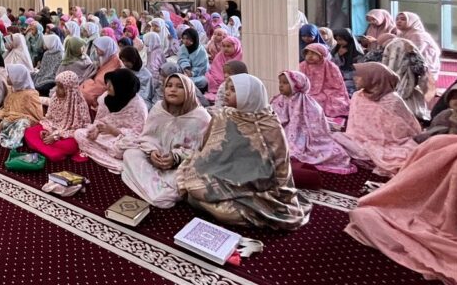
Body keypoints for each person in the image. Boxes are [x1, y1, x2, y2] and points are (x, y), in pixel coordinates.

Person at [177, 74, 311, 230]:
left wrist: (236, 182)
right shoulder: (224, 115)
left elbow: (275, 172)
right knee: (194, 187)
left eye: (233, 90)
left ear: (250, 95)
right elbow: (207, 148)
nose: (227, 93)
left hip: (255, 187)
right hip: (222, 174)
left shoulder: (268, 125)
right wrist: (212, 172)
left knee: (227, 212)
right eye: (227, 88)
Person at [344, 132, 457, 285]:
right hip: (426, 221)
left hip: (441, 230)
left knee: (366, 217)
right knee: (366, 216)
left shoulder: (446, 150)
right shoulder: (443, 148)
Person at [122, 73, 211, 208]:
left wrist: (175, 157)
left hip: (181, 165)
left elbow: (203, 152)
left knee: (191, 176)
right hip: (155, 159)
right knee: (130, 153)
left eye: (179, 87)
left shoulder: (201, 117)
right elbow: (147, 136)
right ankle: (157, 188)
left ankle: (151, 187)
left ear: (189, 91)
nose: (172, 90)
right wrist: (152, 152)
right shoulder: (159, 108)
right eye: (169, 86)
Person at [331, 62, 420, 176]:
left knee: (401, 154)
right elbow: (354, 125)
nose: (355, 78)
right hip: (360, 139)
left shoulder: (392, 101)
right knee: (335, 138)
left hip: (389, 143)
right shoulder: (358, 95)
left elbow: (404, 129)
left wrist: (376, 137)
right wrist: (365, 136)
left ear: (373, 79)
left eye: (360, 76)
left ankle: (369, 156)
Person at [272, 70, 356, 174]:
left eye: (285, 83)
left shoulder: (309, 104)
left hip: (304, 134)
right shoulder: (278, 100)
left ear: (297, 85)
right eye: (280, 82)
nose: (281, 86)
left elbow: (315, 125)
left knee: (328, 152)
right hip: (282, 130)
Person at [74, 69, 148, 173]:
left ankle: (102, 154)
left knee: (122, 149)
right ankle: (115, 163)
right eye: (108, 82)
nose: (107, 86)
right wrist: (96, 130)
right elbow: (100, 119)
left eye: (111, 84)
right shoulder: (105, 97)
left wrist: (114, 131)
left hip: (120, 140)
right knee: (79, 134)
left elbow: (138, 134)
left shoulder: (138, 106)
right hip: (104, 136)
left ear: (121, 87)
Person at [23, 71, 92, 161]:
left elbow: (80, 129)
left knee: (70, 145)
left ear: (70, 89)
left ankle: (48, 150)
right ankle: (52, 152)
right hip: (53, 129)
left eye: (60, 87)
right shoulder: (55, 98)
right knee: (29, 132)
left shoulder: (79, 104)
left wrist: (56, 136)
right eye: (57, 86)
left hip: (67, 135)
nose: (57, 89)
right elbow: (50, 119)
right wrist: (48, 132)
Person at [299, 43, 351, 126]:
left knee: (338, 102)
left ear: (321, 55)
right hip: (308, 91)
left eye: (313, 53)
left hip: (329, 91)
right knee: (309, 100)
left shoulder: (331, 66)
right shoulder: (302, 66)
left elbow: (338, 85)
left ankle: (334, 121)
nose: (310, 56)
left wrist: (327, 92)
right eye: (307, 53)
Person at [0, 65, 44, 148]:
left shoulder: (31, 94)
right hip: (9, 119)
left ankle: (10, 140)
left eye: (9, 76)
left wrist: (8, 119)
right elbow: (6, 108)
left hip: (21, 121)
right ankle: (1, 134)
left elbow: (36, 117)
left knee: (22, 123)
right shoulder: (12, 91)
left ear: (18, 78)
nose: (7, 78)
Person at [381, 37, 430, 122]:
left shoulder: (411, 69)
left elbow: (421, 70)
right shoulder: (382, 76)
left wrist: (412, 53)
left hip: (409, 97)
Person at [80, 36, 122, 107]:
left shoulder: (116, 62)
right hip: (96, 84)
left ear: (106, 48)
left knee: (84, 94)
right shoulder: (106, 57)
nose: (96, 50)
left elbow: (103, 83)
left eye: (98, 48)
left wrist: (89, 82)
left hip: (103, 88)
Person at [206, 36, 242, 102]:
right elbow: (215, 70)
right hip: (218, 82)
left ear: (236, 46)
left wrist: (229, 79)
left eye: (228, 46)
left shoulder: (241, 56)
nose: (225, 48)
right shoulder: (220, 56)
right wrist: (223, 79)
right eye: (224, 46)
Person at [177, 28, 209, 92]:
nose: (185, 41)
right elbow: (182, 59)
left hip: (197, 75)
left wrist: (192, 73)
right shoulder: (183, 47)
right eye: (183, 38)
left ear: (194, 39)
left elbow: (202, 67)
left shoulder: (201, 51)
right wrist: (186, 68)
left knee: (203, 80)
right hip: (184, 72)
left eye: (188, 39)